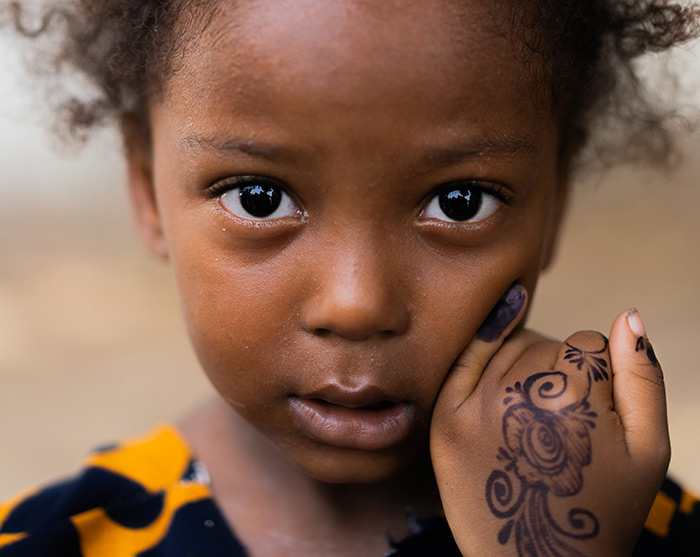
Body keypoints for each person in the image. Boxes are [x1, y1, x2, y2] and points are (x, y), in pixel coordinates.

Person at [0, 0, 699, 555]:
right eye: (259, 198)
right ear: (147, 185)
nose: (358, 303)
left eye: (460, 202)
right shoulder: (53, 540)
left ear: (559, 193)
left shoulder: (636, 521)